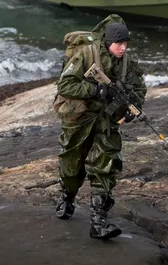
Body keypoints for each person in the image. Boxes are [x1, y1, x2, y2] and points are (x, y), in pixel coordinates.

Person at [53, 14, 147, 239]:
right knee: (72, 162)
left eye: (126, 44)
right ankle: (67, 198)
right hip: (80, 118)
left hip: (106, 120)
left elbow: (138, 88)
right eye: (119, 44)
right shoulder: (86, 55)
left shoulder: (126, 62)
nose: (123, 48)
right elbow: (65, 84)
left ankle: (98, 221)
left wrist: (132, 107)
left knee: (107, 164)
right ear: (108, 42)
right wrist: (95, 90)